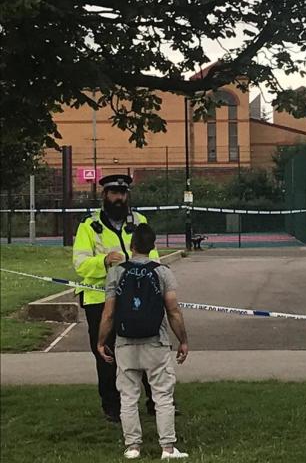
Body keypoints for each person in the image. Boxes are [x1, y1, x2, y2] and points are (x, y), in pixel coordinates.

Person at [72, 173, 162, 421]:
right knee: (106, 354)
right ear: (105, 196)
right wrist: (103, 261)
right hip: (98, 300)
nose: (120, 198)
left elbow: (153, 256)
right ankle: (112, 406)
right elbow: (80, 264)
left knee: (145, 349)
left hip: (133, 297)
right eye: (114, 193)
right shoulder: (89, 226)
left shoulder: (139, 221)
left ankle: (157, 402)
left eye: (123, 194)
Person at [98, 223, 189, 460]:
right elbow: (174, 311)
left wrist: (100, 342)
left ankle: (132, 447)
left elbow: (108, 313)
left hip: (125, 343)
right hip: (155, 343)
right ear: (153, 245)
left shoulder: (116, 272)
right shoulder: (163, 272)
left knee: (127, 397)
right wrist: (183, 340)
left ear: (131, 245)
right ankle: (168, 447)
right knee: (162, 396)